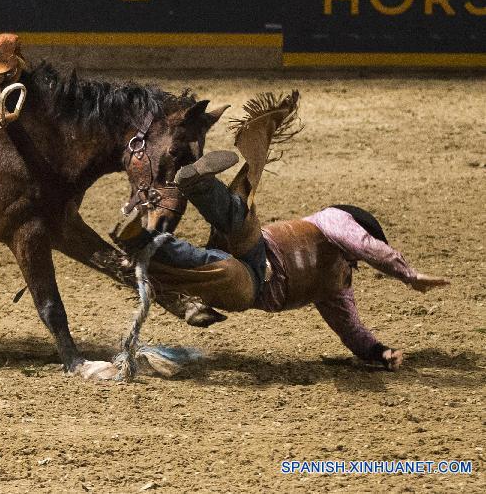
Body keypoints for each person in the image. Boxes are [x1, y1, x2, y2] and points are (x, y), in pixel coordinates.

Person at [111, 93, 449, 371]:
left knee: (219, 264)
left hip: (249, 284)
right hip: (258, 253)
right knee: (238, 221)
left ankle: (142, 238)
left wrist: (379, 352)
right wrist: (407, 274)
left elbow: (351, 329)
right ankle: (197, 184)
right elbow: (364, 245)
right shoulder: (333, 220)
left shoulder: (336, 284)